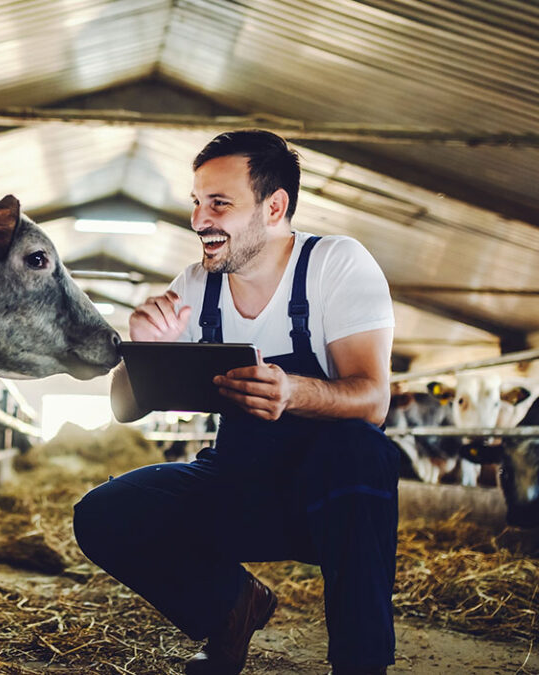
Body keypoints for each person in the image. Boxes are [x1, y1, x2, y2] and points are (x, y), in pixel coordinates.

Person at [73, 130, 398, 675]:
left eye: (219, 203)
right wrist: (143, 353)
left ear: (274, 207)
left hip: (332, 493)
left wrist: (294, 392)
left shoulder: (334, 264)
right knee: (104, 514)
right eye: (197, 202)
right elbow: (124, 409)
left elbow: (373, 399)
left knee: (360, 453)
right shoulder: (195, 287)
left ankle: (360, 664)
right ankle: (231, 608)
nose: (199, 219)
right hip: (241, 478)